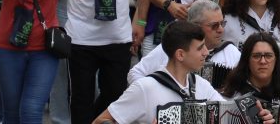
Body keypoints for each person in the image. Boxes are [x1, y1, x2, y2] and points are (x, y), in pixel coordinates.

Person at [96, 21, 233, 124]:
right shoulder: (145, 88)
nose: (205, 52)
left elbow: (229, 115)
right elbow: (100, 121)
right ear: (180, 55)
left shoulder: (201, 85)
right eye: (200, 48)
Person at [128, 0, 241, 88]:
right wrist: (157, 94)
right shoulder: (172, 48)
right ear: (195, 26)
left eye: (222, 23)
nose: (221, 29)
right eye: (214, 25)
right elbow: (135, 74)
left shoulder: (232, 52)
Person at [221, 32, 280, 104]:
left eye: (268, 56)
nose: (263, 61)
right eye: (256, 56)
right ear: (247, 60)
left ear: (276, 60)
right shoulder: (233, 95)